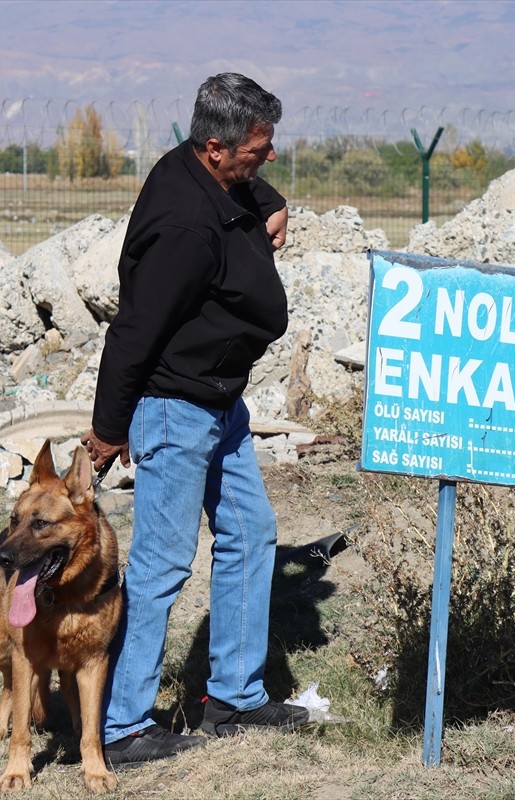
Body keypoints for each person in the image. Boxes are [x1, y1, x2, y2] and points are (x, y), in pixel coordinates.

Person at [80, 72, 308, 767]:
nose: (266, 159)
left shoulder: (206, 173)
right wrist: (109, 427)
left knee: (250, 530)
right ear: (215, 146)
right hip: (176, 406)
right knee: (160, 565)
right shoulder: (183, 223)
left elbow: (247, 191)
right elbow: (136, 330)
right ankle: (120, 725)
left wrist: (272, 201)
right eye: (257, 152)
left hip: (218, 402)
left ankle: (234, 695)